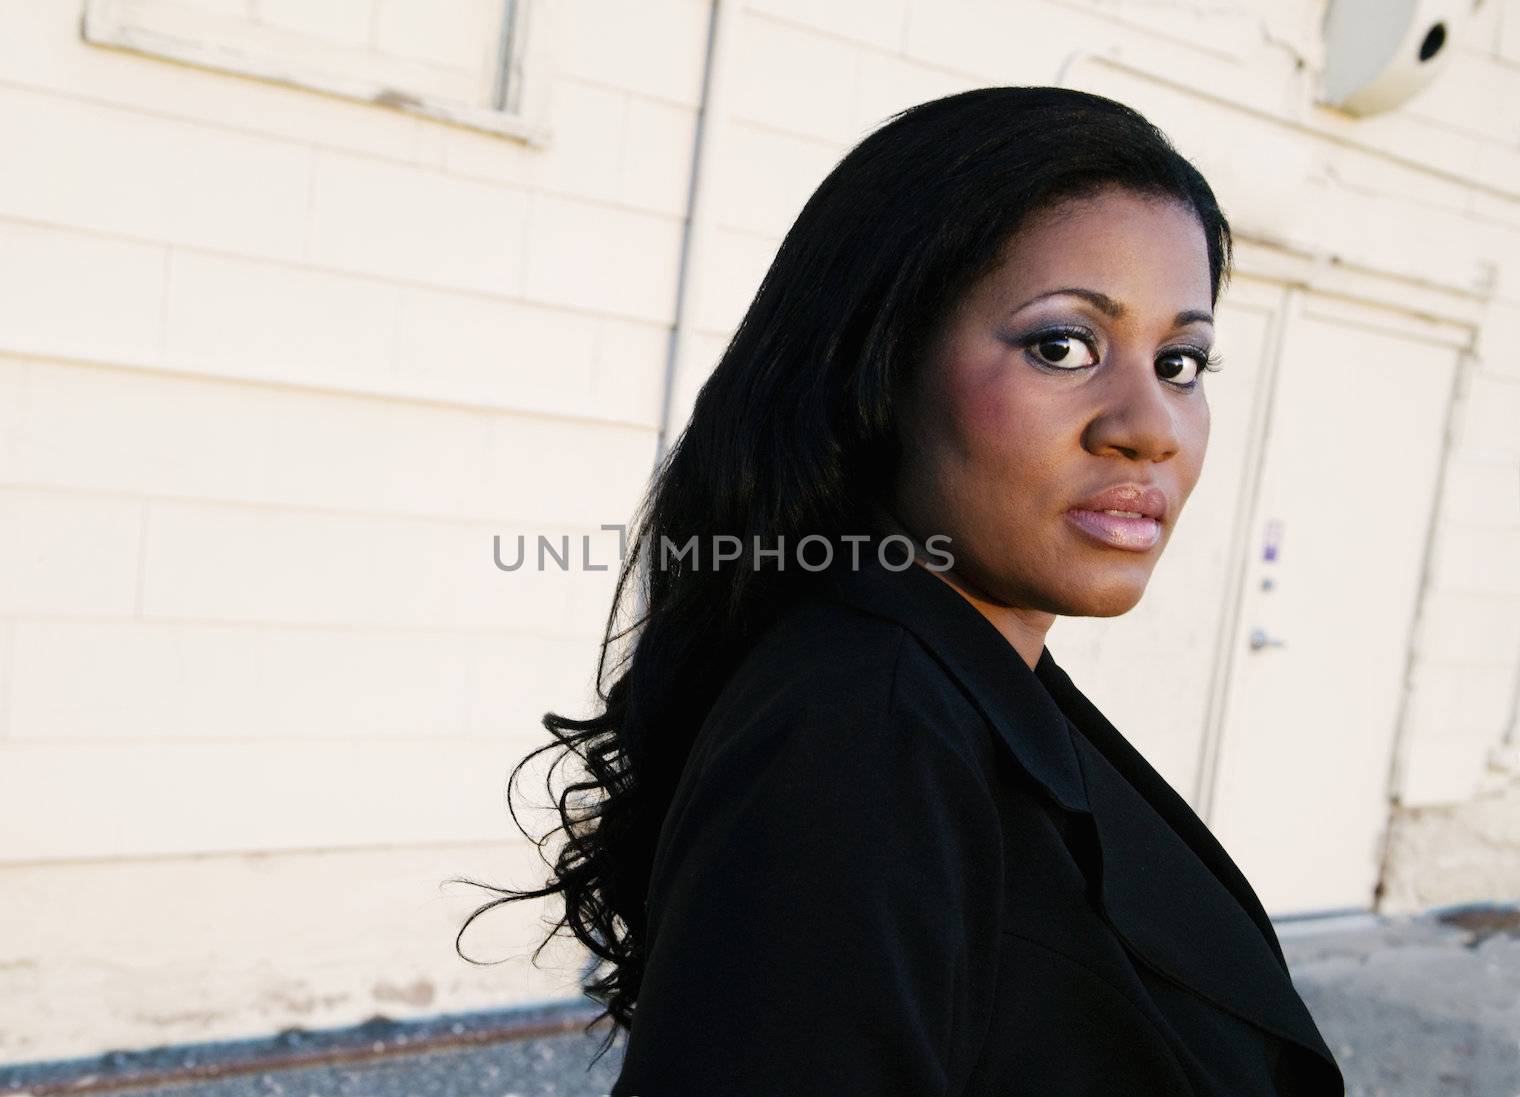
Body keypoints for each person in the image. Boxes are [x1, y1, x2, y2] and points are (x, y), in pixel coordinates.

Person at [454, 86, 1346, 1095]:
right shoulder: (861, 726)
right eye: (1061, 345)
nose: (1150, 424)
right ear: (878, 369)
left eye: (1180, 360)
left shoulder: (967, 690)